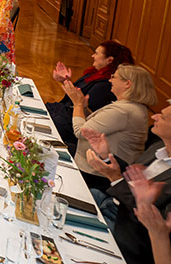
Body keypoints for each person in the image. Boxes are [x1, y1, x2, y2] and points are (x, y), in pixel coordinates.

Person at [81, 101, 171, 264]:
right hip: (110, 201)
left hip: (125, 231)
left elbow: (153, 222)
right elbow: (132, 176)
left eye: (163, 117)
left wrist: (115, 179)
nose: (154, 116)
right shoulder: (158, 147)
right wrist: (106, 157)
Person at [67, 64, 155, 190]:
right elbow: (98, 125)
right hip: (95, 166)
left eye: (114, 77)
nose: (110, 80)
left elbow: (81, 132)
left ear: (127, 84)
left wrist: (77, 105)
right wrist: (84, 108)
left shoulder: (123, 111)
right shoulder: (131, 107)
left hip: (95, 173)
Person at [45, 40, 133, 150]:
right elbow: (77, 96)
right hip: (66, 114)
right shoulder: (95, 72)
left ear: (109, 60)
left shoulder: (105, 85)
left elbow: (84, 114)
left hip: (71, 125)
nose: (92, 56)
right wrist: (66, 81)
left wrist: (78, 103)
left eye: (96, 53)